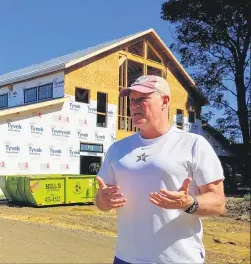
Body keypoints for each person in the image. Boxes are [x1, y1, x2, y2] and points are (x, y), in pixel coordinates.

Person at [95, 75, 226, 264]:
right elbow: (100, 201)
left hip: (178, 259)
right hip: (126, 258)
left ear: (165, 101)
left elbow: (218, 202)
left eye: (142, 99)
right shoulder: (117, 149)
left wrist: (189, 203)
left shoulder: (193, 144)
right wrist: (103, 199)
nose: (134, 105)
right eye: (132, 100)